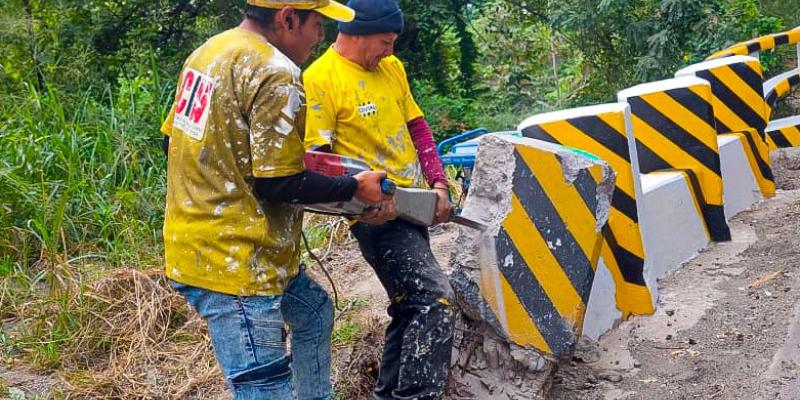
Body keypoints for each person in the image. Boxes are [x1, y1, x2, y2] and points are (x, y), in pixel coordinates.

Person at [160, 1, 390, 399]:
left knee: (313, 313)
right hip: (240, 264)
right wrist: (354, 190)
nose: (321, 38)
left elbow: (173, 140)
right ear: (287, 18)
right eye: (317, 25)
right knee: (264, 386)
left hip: (195, 246)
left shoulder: (208, 53)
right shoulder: (276, 72)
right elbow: (279, 185)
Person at [303, 1, 455, 398]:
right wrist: (360, 203)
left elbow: (418, 130)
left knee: (409, 306)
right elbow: (319, 164)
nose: (390, 50)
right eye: (385, 42)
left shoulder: (392, 69)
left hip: (413, 203)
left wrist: (439, 185)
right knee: (433, 300)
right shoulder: (320, 79)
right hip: (374, 216)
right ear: (356, 33)